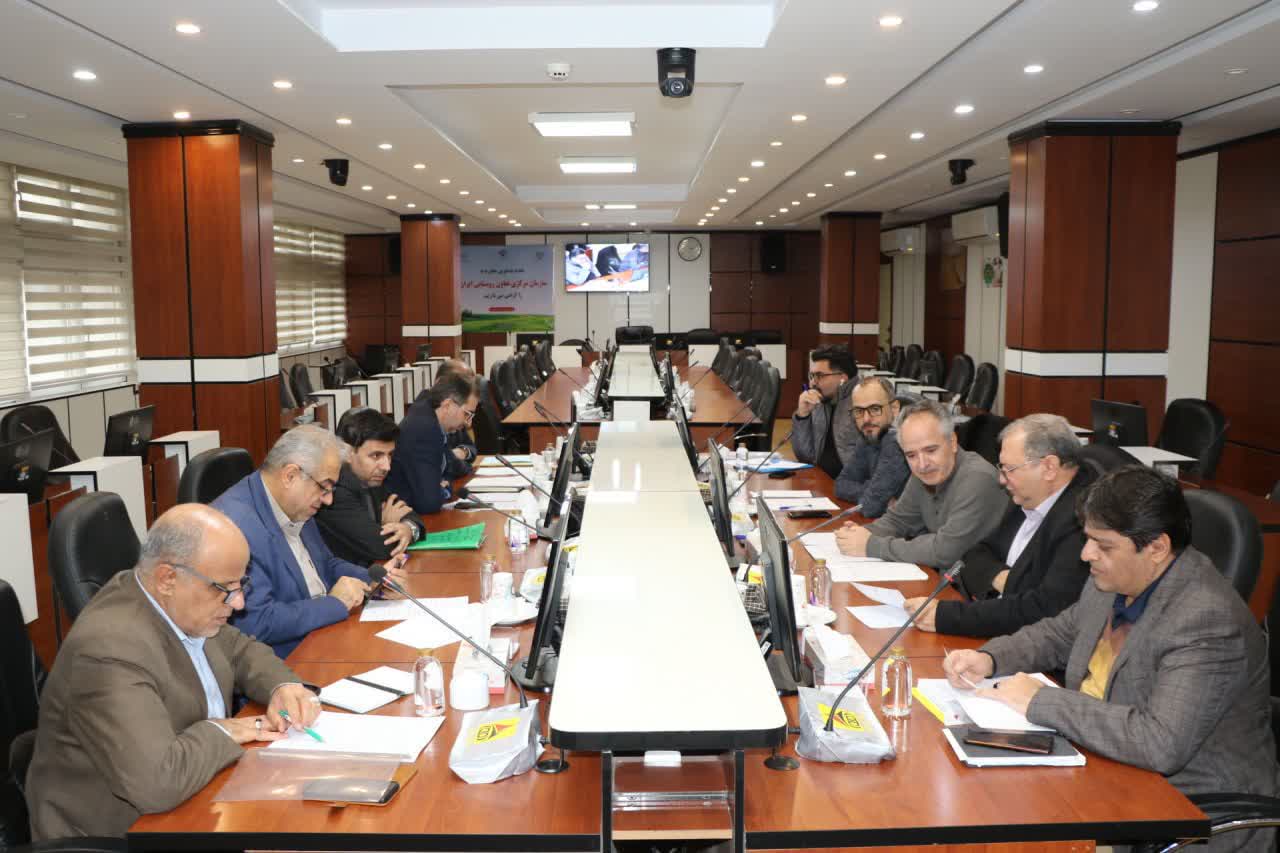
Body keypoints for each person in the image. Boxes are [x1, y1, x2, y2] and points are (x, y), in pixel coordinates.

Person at [945, 466, 1279, 852]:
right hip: (1099, 768)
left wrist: (1040, 700)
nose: (1086, 554)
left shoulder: (1205, 620)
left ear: (1156, 548)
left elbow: (1159, 743)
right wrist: (989, 658)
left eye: (1103, 545)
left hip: (1184, 814)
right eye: (1088, 539)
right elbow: (1059, 633)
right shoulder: (1115, 579)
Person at [26, 504, 321, 840]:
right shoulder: (108, 650)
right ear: (167, 578)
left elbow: (240, 649)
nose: (239, 603)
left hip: (201, 793)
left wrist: (282, 686)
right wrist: (224, 731)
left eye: (241, 585)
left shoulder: (180, 605)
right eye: (225, 588)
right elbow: (158, 783)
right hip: (125, 832)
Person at [213, 425, 408, 658]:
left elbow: (325, 563)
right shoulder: (235, 527)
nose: (329, 500)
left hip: (324, 636)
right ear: (290, 475)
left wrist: (372, 580)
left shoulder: (295, 505)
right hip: (290, 659)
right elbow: (257, 622)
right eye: (325, 487)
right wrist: (335, 603)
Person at [905, 414, 1093, 637]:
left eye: (1009, 469)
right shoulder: (1026, 495)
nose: (1002, 480)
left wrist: (945, 616)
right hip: (995, 626)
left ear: (1049, 467)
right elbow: (974, 556)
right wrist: (1005, 579)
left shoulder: (1083, 520)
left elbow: (1042, 610)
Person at [835, 399, 1007, 569]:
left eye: (931, 450)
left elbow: (945, 551)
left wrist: (871, 545)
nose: (922, 464)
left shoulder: (978, 479)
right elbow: (898, 520)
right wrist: (861, 534)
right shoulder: (925, 473)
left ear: (953, 442)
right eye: (911, 455)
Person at [315, 407, 424, 567]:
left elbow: (410, 514)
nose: (386, 466)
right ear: (347, 453)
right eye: (376, 455)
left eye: (390, 455)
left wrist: (408, 529)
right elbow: (382, 547)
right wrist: (386, 526)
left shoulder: (370, 478)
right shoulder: (335, 492)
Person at [385, 370, 480, 515]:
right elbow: (429, 503)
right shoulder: (425, 430)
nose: (469, 423)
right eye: (467, 414)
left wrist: (441, 482)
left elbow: (453, 466)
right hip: (406, 516)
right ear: (447, 406)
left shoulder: (429, 414)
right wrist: (444, 489)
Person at [834, 376, 909, 517]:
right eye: (859, 411)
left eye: (875, 409)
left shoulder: (897, 439)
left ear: (894, 408)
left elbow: (870, 506)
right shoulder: (869, 435)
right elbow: (841, 485)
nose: (866, 419)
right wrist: (872, 489)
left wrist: (874, 495)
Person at [791, 345, 859, 478]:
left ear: (842, 378)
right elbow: (805, 456)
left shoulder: (863, 403)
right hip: (819, 480)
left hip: (849, 484)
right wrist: (802, 416)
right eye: (812, 376)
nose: (812, 383)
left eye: (819, 376)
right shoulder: (820, 401)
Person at [435, 358, 479, 479]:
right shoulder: (432, 418)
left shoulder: (457, 412)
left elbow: (472, 449)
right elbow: (453, 466)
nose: (468, 423)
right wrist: (455, 459)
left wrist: (463, 451)